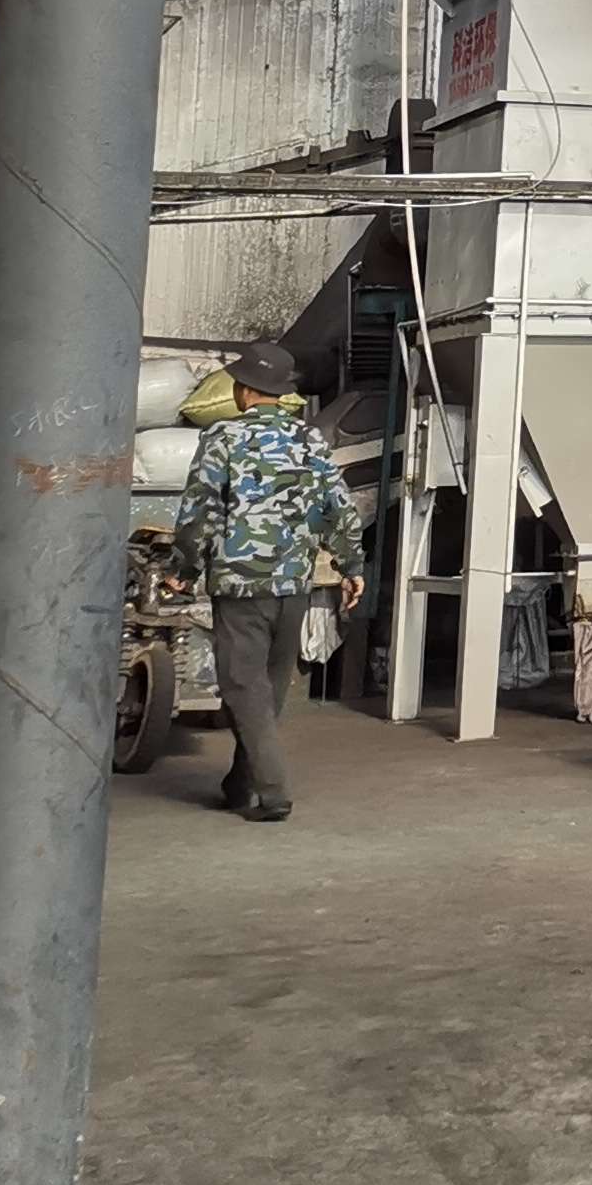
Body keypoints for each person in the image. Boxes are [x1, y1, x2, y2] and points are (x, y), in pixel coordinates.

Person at [166, 340, 365, 823]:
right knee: (267, 692)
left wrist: (183, 571)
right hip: (293, 585)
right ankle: (240, 785)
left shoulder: (223, 438)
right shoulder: (310, 440)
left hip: (240, 585)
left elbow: (199, 513)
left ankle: (274, 794)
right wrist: (351, 566)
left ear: (242, 390)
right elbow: (337, 508)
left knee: (242, 687)